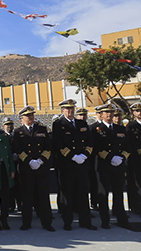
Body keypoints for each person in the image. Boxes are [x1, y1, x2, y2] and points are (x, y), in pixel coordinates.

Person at [52, 99, 96, 231]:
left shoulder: (82, 123)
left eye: (72, 108)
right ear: (62, 111)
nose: (70, 111)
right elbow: (58, 143)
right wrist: (72, 156)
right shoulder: (59, 124)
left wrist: (84, 155)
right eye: (67, 109)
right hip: (67, 165)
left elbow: (89, 141)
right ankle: (68, 222)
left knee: (83, 194)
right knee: (67, 194)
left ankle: (85, 221)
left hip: (82, 163)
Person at [12, 106, 54, 231]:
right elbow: (17, 149)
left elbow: (48, 147)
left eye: (32, 115)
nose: (30, 117)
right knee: (27, 197)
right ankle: (26, 223)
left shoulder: (42, 129)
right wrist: (29, 161)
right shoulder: (18, 132)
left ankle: (47, 223)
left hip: (41, 168)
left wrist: (40, 160)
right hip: (26, 169)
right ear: (22, 119)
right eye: (27, 116)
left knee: (44, 196)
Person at [89, 104, 131, 229]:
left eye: (111, 112)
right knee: (104, 194)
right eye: (106, 112)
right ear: (101, 115)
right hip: (104, 166)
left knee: (119, 193)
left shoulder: (120, 129)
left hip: (118, 165)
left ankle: (121, 217)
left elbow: (127, 147)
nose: (109, 115)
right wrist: (110, 157)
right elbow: (95, 147)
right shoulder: (95, 129)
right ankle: (105, 220)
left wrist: (122, 157)